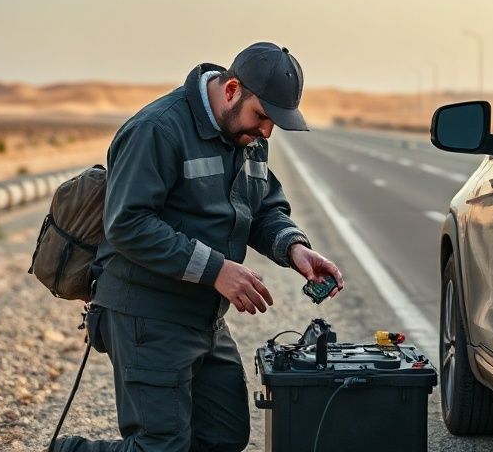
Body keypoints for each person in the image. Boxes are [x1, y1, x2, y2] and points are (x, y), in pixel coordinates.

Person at [54, 42, 345, 452]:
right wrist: (218, 271)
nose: (266, 132)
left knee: (223, 437)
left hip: (203, 315)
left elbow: (262, 209)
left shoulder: (249, 139)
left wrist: (294, 248)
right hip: (145, 313)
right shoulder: (157, 128)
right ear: (231, 90)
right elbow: (126, 223)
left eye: (274, 123)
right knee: (161, 446)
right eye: (262, 116)